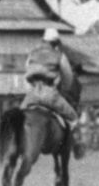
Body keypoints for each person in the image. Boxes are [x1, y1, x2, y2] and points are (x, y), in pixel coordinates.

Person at [22, 28, 85, 159]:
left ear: (44, 40)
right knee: (74, 118)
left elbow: (26, 71)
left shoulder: (32, 54)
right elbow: (68, 77)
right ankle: (77, 146)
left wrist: (31, 88)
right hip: (50, 94)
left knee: (18, 117)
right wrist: (63, 90)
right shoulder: (59, 55)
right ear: (56, 42)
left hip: (32, 94)